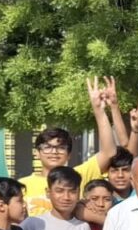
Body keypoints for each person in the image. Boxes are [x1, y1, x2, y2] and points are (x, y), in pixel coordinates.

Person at [19, 77, 118, 216]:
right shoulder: (22, 185)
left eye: (61, 148)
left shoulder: (79, 175)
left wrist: (99, 111)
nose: (54, 152)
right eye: (47, 147)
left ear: (69, 154)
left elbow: (109, 152)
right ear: (37, 152)